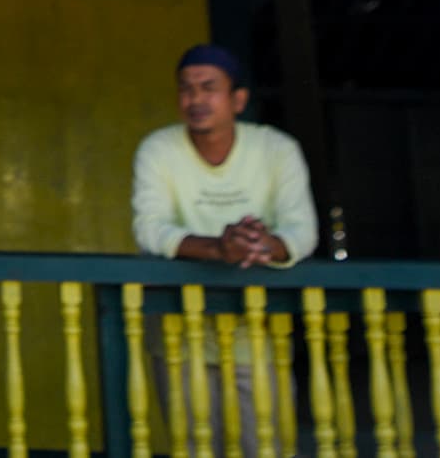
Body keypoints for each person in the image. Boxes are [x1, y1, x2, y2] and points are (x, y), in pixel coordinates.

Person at [129, 43, 319, 457]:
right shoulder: (158, 150)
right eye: (186, 89)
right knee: (193, 449)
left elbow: (303, 231)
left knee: (266, 447)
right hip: (179, 334)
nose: (195, 99)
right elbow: (150, 229)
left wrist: (263, 245)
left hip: (259, 332)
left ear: (238, 99)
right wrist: (220, 247)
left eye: (208, 88)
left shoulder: (276, 150)